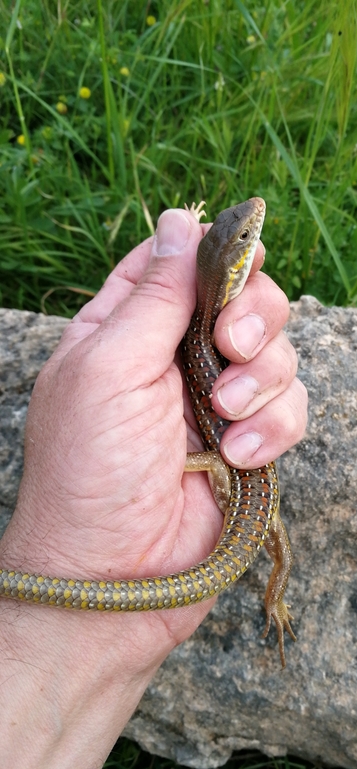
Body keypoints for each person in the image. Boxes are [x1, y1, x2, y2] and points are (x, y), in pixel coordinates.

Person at [0, 207, 308, 769]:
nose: (252, 223)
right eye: (240, 235)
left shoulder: (203, 327)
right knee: (275, 541)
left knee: (236, 480)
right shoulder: (199, 320)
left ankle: (276, 594)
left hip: (227, 483)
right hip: (239, 492)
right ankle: (276, 597)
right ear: (232, 265)